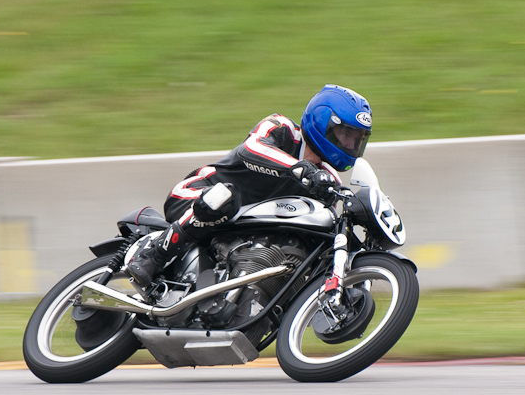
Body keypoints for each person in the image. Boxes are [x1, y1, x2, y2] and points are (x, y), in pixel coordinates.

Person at [125, 84, 373, 288]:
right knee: (225, 197)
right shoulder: (282, 128)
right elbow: (251, 149)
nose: (350, 144)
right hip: (197, 195)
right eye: (345, 134)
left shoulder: (326, 181)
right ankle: (154, 256)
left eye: (357, 139)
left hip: (238, 231)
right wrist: (299, 169)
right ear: (322, 121)